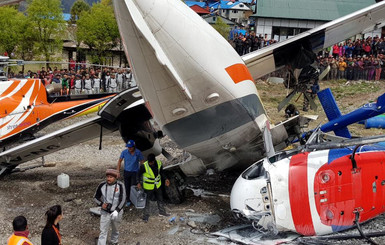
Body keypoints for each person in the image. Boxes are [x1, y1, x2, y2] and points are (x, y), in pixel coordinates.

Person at [94, 169, 126, 245]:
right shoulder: (102, 185)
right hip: (105, 212)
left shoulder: (120, 185)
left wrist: (117, 210)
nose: (108, 179)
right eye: (107, 177)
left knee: (115, 229)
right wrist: (101, 204)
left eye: (111, 177)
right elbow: (95, 197)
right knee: (103, 231)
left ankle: (114, 242)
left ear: (115, 178)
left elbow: (123, 199)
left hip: (116, 212)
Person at [137, 153, 170, 223]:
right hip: (148, 187)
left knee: (160, 199)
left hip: (157, 185)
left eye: (151, 162)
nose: (150, 163)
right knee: (147, 201)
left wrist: (166, 179)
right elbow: (138, 174)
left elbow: (161, 172)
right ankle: (146, 216)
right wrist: (138, 182)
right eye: (149, 162)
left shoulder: (159, 163)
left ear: (154, 161)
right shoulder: (144, 166)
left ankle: (162, 212)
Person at [116, 140, 144, 206]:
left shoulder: (138, 152)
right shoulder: (124, 152)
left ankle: (134, 199)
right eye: (128, 147)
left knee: (133, 186)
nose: (129, 148)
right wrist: (118, 171)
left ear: (134, 147)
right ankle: (128, 200)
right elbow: (119, 161)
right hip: (127, 172)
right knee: (127, 186)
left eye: (131, 147)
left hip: (135, 172)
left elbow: (142, 161)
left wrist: (141, 171)